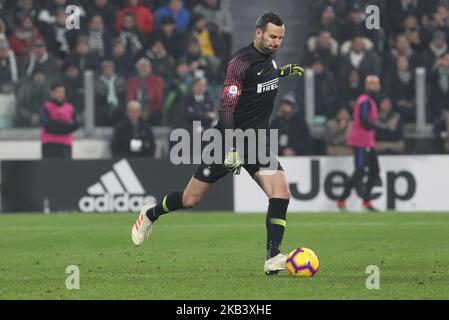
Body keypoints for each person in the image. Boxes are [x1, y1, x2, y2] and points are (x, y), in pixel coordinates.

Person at [130, 12, 305, 275]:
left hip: (256, 143)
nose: (277, 42)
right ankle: (150, 214)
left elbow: (258, 81)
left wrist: (280, 73)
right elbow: (226, 107)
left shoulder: (269, 58)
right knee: (190, 199)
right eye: (272, 36)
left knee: (280, 193)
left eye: (281, 38)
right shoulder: (239, 62)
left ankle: (272, 257)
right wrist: (233, 147)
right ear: (258, 33)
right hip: (226, 140)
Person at [336, 75, 383, 212]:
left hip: (368, 141)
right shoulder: (365, 101)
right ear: (368, 85)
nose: (376, 87)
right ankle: (342, 198)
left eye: (376, 84)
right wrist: (377, 127)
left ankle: (366, 199)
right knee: (360, 171)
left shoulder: (368, 100)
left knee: (374, 170)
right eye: (373, 84)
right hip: (361, 141)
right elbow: (364, 121)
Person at [40, 83, 80, 159]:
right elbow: (47, 125)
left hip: (65, 145)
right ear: (52, 93)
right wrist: (66, 124)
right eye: (58, 92)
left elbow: (76, 125)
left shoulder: (70, 107)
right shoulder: (46, 107)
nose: (61, 94)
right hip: (49, 144)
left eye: (62, 92)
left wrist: (56, 123)